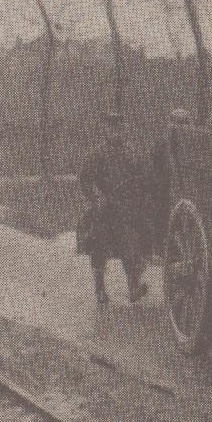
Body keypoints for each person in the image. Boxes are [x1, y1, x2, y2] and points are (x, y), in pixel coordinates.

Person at [77, 110, 146, 306]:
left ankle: (133, 287)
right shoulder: (97, 154)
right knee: (99, 242)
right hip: (104, 211)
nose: (116, 132)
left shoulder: (131, 153)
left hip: (124, 210)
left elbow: (141, 178)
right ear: (105, 130)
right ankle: (99, 288)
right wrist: (95, 198)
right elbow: (84, 180)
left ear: (123, 130)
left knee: (131, 242)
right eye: (111, 128)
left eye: (119, 128)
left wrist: (137, 196)